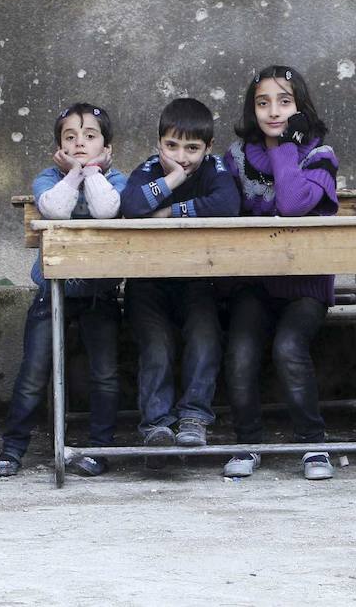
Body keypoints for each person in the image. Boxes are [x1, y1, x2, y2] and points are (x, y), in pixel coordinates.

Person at [0, 103, 127, 478]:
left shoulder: (116, 180)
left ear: (107, 145)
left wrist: (94, 171)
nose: (79, 143)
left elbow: (105, 212)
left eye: (90, 136)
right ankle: (13, 447)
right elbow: (54, 211)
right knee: (34, 372)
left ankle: (100, 448)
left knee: (104, 374)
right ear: (58, 146)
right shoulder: (48, 179)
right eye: (70, 137)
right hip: (52, 292)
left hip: (100, 295)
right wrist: (71, 176)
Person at [221, 65, 340, 481]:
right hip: (253, 281)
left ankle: (313, 443)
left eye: (284, 102)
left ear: (300, 106)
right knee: (240, 352)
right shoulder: (234, 159)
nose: (273, 111)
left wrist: (285, 145)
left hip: (306, 284)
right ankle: (248, 441)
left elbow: (291, 204)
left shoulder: (319, 156)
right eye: (263, 102)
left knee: (289, 347)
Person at [119, 97, 240, 467]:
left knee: (205, 339)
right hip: (147, 281)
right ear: (159, 144)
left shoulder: (216, 168)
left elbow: (227, 205)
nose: (182, 155)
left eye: (192, 148)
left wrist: (171, 209)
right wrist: (173, 178)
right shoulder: (150, 168)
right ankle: (156, 424)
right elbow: (131, 206)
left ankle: (194, 417)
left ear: (208, 148)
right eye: (172, 146)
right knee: (155, 348)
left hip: (197, 279)